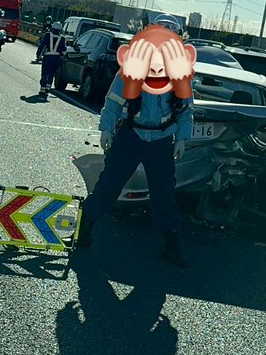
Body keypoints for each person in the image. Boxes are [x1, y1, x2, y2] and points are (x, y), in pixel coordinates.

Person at [75, 15, 196, 268]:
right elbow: (113, 102)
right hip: (131, 135)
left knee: (165, 193)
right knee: (109, 184)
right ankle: (83, 231)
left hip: (161, 140)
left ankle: (171, 245)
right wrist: (106, 129)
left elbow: (186, 110)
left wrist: (182, 138)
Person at [37, 21, 66, 96]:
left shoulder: (47, 35)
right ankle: (48, 88)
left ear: (52, 28)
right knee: (51, 74)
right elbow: (64, 50)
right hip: (56, 59)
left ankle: (42, 89)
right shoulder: (62, 38)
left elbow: (42, 45)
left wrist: (38, 55)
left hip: (47, 57)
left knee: (44, 73)